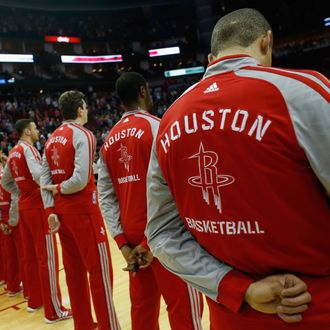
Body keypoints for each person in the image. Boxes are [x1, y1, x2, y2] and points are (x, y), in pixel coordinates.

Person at [146, 8, 330, 330]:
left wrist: (238, 289)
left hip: (232, 313)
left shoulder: (169, 120)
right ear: (266, 41)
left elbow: (161, 234)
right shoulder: (304, 91)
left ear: (211, 57)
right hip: (311, 308)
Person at [98, 72, 203, 330]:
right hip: (166, 237)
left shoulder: (108, 140)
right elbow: (180, 188)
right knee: (184, 310)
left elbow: (106, 197)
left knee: (142, 312)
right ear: (144, 91)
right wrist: (150, 242)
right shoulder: (159, 127)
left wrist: (122, 243)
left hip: (132, 241)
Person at [41, 90, 120, 330]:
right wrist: (59, 187)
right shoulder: (84, 135)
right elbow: (81, 179)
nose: (87, 110)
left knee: (74, 275)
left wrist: (50, 211)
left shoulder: (51, 138)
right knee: (99, 274)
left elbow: (43, 180)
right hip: (84, 212)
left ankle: (84, 325)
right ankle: (109, 326)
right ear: (79, 110)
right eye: (85, 106)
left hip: (62, 215)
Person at [1, 119, 71, 323]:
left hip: (24, 206)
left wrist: (22, 192)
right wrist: (49, 188)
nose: (37, 130)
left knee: (30, 257)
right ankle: (54, 311)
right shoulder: (28, 150)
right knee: (47, 258)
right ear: (27, 132)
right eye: (34, 128)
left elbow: (6, 182)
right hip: (37, 208)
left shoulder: (13, 152)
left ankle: (34, 301)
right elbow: (39, 174)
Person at [0, 151, 25, 297]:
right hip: (12, 218)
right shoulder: (7, 179)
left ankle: (11, 284)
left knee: (8, 255)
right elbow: (15, 199)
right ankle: (26, 289)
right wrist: (11, 221)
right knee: (21, 254)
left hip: (3, 219)